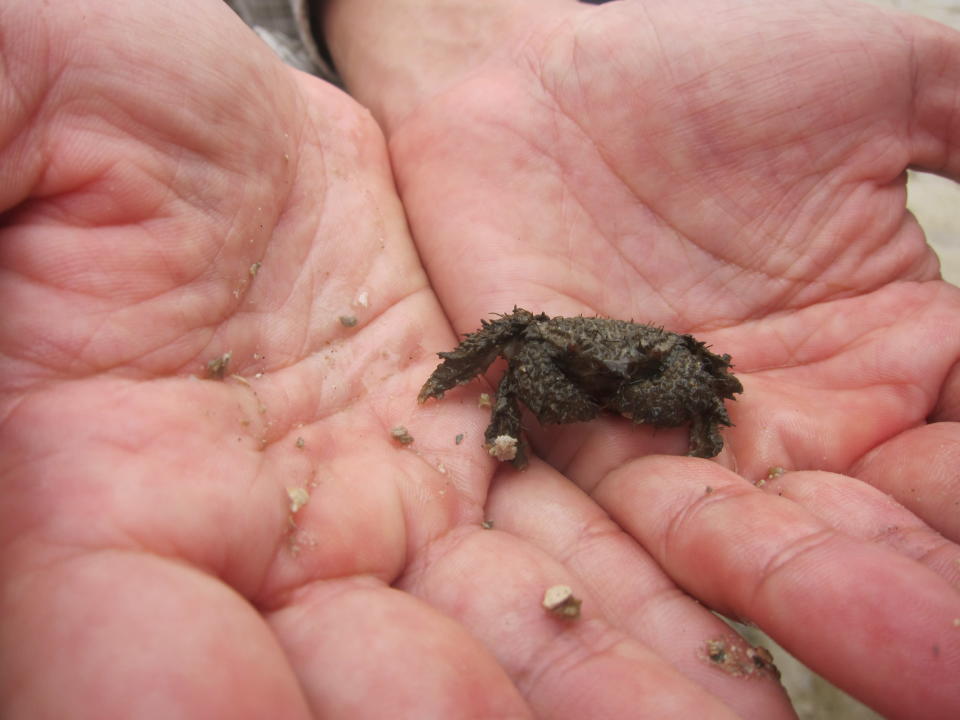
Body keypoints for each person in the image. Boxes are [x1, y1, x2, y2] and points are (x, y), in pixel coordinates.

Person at [1, 0, 958, 717]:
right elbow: (504, 338)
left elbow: (713, 373)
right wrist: (480, 400)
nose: (617, 390)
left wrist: (705, 417)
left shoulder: (672, 359)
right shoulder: (550, 345)